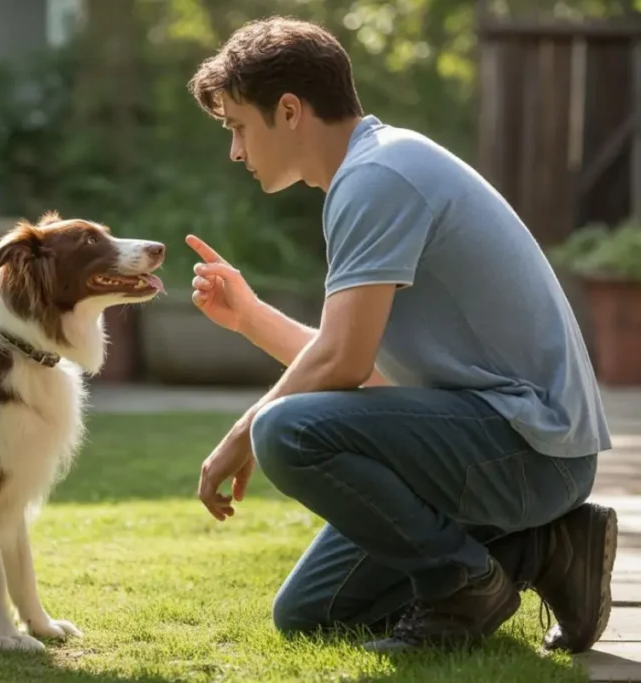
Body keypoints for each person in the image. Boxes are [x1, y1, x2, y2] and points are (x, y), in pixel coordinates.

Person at [183, 15, 617, 653]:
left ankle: (463, 586)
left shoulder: (377, 178)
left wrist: (240, 435)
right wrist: (251, 317)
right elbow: (373, 374)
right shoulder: (376, 169)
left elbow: (346, 363)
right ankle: (546, 547)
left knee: (283, 429)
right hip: (499, 450)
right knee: (311, 614)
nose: (236, 152)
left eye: (238, 127)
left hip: (532, 454)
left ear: (290, 110)